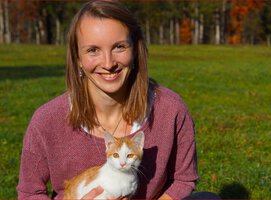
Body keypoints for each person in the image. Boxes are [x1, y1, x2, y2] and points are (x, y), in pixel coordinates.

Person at [17, 1, 199, 199]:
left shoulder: (170, 110)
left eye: (119, 47)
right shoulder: (46, 120)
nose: (108, 63)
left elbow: (184, 179)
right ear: (77, 57)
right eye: (93, 50)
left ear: (136, 50)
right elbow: (30, 193)